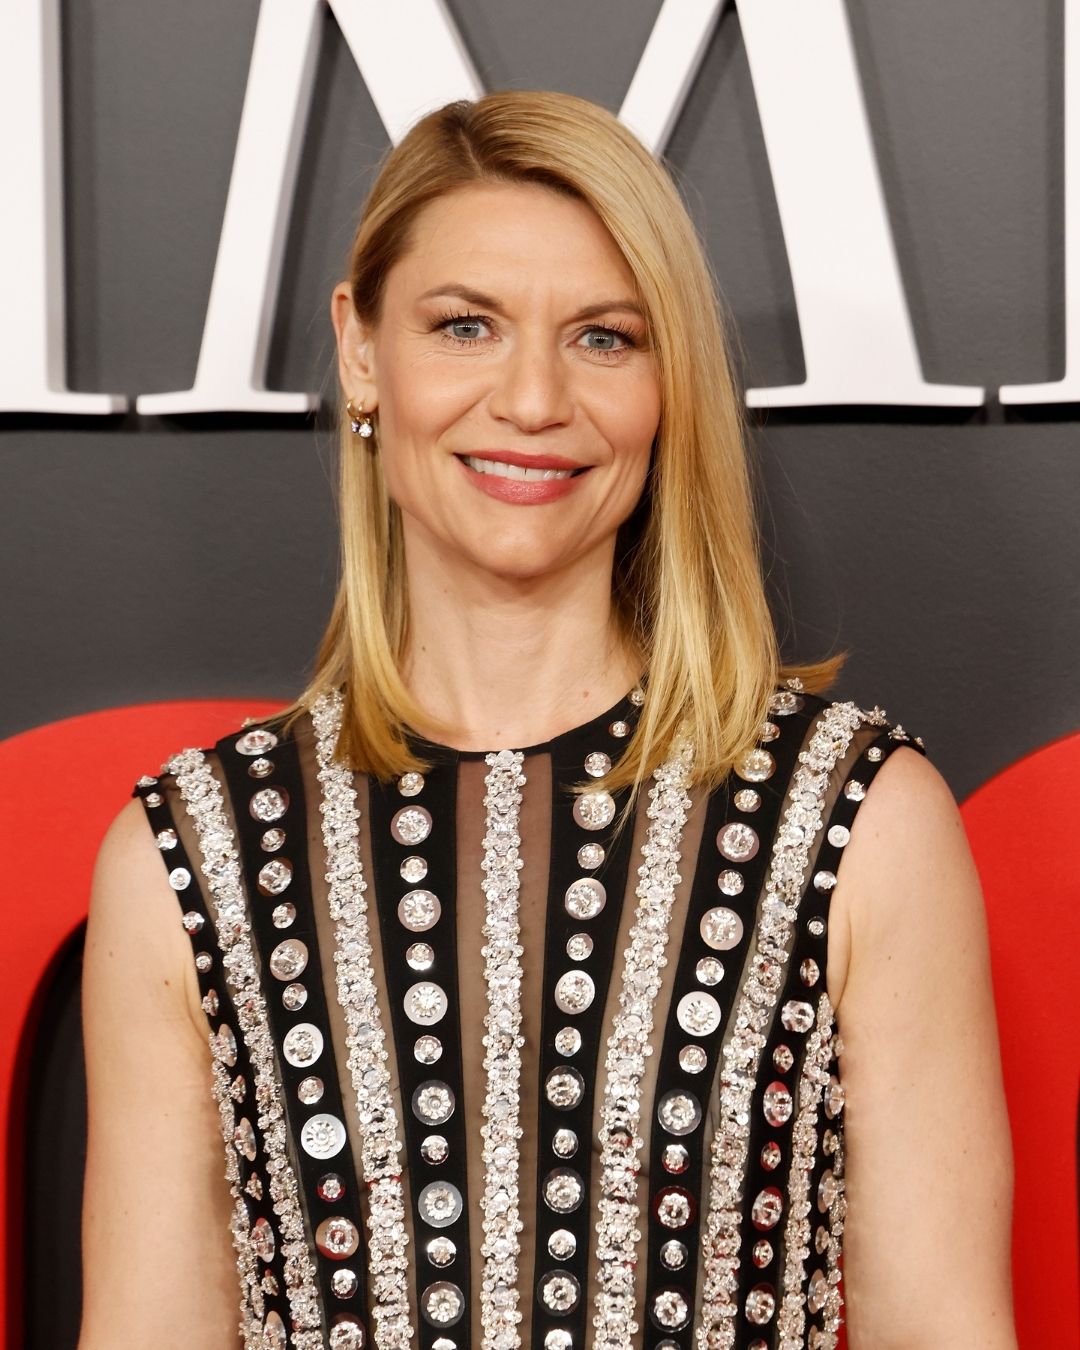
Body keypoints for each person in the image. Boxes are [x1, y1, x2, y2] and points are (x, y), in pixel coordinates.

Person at [77, 91, 1017, 1350]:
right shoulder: (186, 856)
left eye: (605, 338)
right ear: (361, 350)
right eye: (465, 326)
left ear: (668, 379)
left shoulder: (861, 822)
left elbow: (943, 1328)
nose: (532, 399)